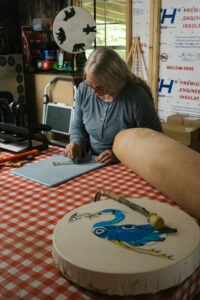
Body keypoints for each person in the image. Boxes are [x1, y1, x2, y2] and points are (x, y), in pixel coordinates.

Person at [63, 47, 162, 164]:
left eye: (100, 87)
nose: (94, 91)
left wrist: (119, 155)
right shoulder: (84, 89)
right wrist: (76, 142)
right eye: (90, 84)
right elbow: (78, 126)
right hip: (93, 162)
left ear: (115, 81)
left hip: (129, 163)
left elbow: (153, 141)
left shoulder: (137, 98)